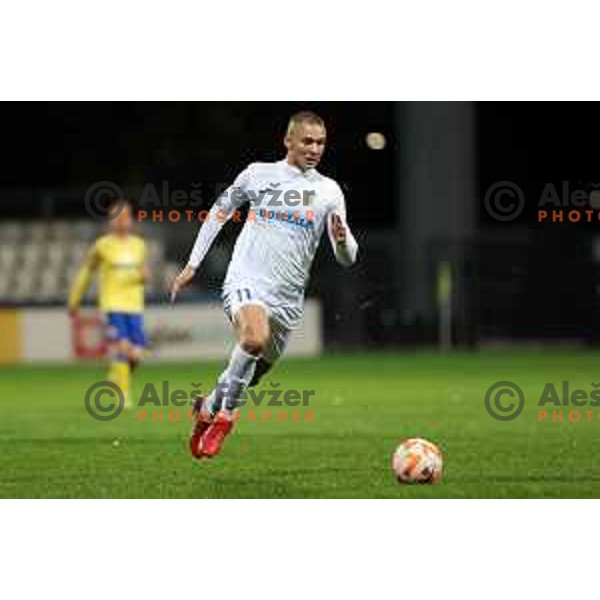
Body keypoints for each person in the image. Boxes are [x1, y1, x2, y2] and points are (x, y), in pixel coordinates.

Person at [170, 111, 358, 459]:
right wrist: (193, 263)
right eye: (307, 141)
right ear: (288, 140)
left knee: (252, 374)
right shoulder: (259, 174)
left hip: (288, 299)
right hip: (247, 280)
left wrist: (344, 241)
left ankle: (209, 405)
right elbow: (220, 210)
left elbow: (348, 258)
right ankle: (225, 417)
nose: (314, 149)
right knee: (253, 339)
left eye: (320, 143)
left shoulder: (328, 191)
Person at [68, 200, 149, 407]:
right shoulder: (102, 245)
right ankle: (124, 394)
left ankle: (116, 375)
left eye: (126, 216)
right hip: (113, 304)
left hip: (135, 306)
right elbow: (87, 272)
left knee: (136, 354)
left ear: (131, 220)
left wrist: (143, 277)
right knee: (123, 347)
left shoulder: (139, 245)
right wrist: (74, 299)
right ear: (110, 221)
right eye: (118, 217)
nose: (122, 221)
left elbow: (144, 273)